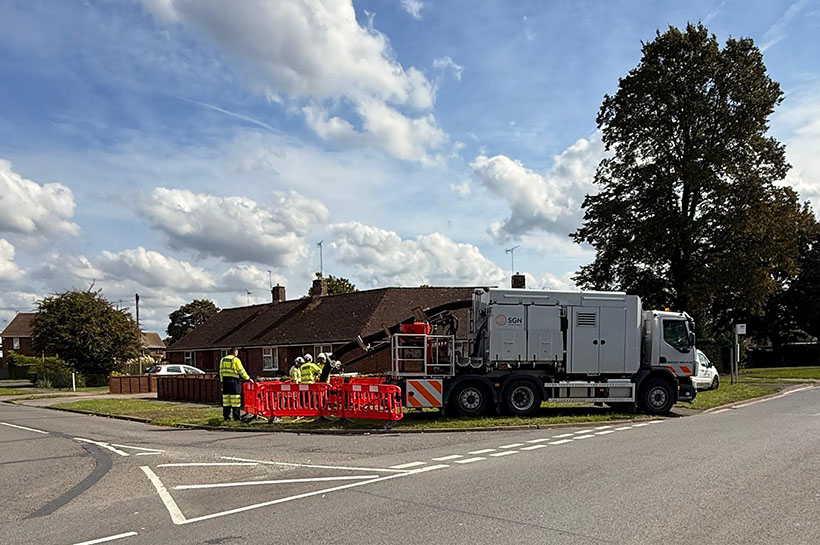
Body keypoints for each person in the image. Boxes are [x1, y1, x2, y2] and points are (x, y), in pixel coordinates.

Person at [219, 348, 252, 421]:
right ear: (235, 352)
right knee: (235, 400)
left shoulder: (223, 360)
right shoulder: (235, 360)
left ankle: (226, 416)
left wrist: (222, 380)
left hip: (225, 381)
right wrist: (248, 378)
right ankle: (236, 417)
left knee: (226, 400)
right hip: (234, 381)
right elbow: (241, 370)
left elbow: (220, 371)